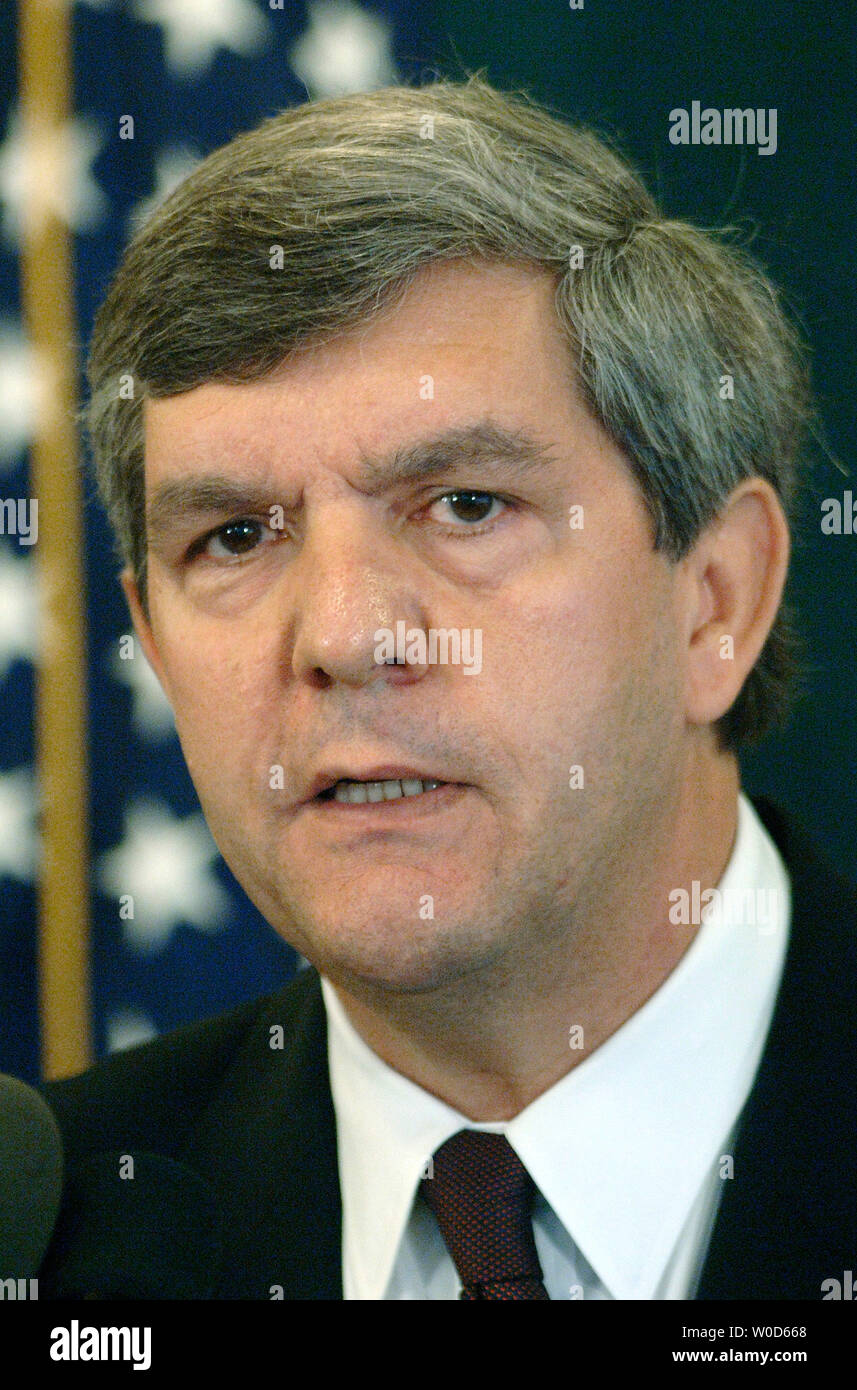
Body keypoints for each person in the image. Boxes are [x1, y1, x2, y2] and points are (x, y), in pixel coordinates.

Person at [38, 75, 855, 1301]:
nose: (345, 635)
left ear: (714, 599)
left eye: (466, 505)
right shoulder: (57, 1234)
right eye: (236, 537)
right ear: (150, 638)